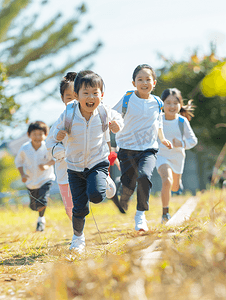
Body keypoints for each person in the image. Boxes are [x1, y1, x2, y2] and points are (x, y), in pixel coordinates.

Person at [46, 70, 124, 253]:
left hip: (97, 163)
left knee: (96, 195)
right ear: (76, 95)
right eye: (86, 93)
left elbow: (119, 118)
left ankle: (103, 181)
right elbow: (51, 141)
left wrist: (117, 126)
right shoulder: (68, 115)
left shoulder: (104, 111)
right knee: (78, 207)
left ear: (102, 95)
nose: (91, 98)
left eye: (95, 93)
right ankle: (78, 238)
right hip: (74, 168)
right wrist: (60, 147)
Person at [113, 64, 172, 232]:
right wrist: (113, 124)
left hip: (149, 148)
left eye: (148, 79)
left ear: (154, 83)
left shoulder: (157, 102)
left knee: (144, 176)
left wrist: (163, 139)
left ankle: (140, 215)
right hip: (126, 148)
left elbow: (158, 123)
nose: (144, 82)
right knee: (129, 184)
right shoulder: (127, 99)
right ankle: (123, 190)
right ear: (134, 83)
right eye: (140, 79)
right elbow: (112, 115)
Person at [156, 88, 198, 223]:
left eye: (175, 103)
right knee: (166, 181)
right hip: (161, 156)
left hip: (177, 157)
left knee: (174, 187)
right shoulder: (157, 120)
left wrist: (182, 143)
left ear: (180, 104)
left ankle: (177, 183)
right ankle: (165, 213)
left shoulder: (182, 121)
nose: (172, 106)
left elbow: (193, 141)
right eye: (168, 103)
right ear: (162, 104)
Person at [47, 72, 77, 220]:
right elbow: (49, 143)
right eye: (69, 98)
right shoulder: (61, 119)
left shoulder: (93, 117)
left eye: (77, 97)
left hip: (83, 169)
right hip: (64, 171)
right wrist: (60, 150)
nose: (73, 102)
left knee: (82, 202)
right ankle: (78, 231)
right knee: (69, 207)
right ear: (62, 99)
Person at [15, 121, 55, 231]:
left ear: (45, 135)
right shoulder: (25, 148)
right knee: (34, 206)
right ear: (29, 135)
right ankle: (39, 214)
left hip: (46, 179)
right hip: (31, 181)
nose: (37, 137)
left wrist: (46, 166)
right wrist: (22, 174)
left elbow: (54, 159)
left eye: (40, 134)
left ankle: (41, 220)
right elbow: (18, 162)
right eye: (34, 134)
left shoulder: (48, 147)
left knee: (42, 201)